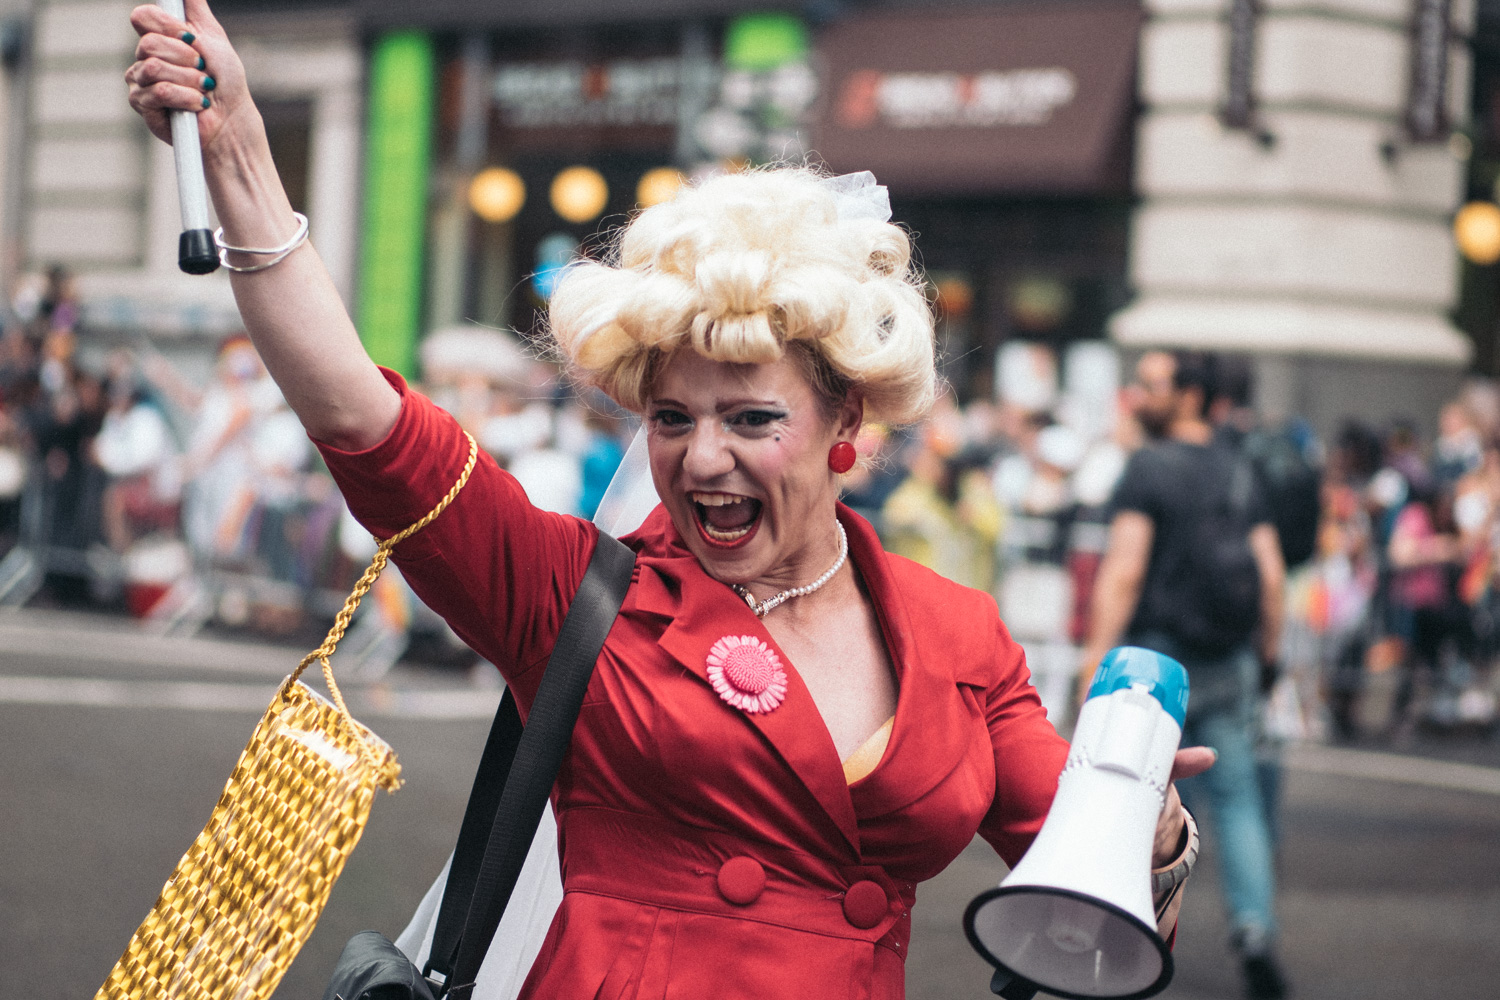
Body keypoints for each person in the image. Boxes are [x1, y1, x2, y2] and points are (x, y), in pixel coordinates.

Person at [125, 6, 1212, 996]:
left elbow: (1078, 878)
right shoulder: (571, 595)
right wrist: (241, 158)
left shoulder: (960, 635)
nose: (701, 460)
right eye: (673, 417)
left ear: (845, 424)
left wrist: (1148, 831)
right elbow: (366, 419)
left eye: (750, 419)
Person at [1080, 350, 1289, 1000]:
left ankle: (1129, 938)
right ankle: (1254, 931)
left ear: (1191, 396)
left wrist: (1094, 665)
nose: (1139, 395)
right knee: (1239, 801)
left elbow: (1124, 571)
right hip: (1229, 658)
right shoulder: (1238, 468)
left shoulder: (1148, 467)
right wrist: (1270, 655)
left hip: (1157, 668)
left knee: (1140, 801)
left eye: (1152, 386)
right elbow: (1273, 575)